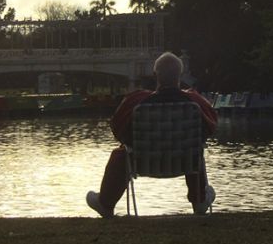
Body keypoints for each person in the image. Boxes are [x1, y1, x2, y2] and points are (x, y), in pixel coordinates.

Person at [86, 52, 218, 217]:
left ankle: (106, 203)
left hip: (142, 162)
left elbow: (117, 129)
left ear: (155, 75)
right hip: (185, 161)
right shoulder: (195, 101)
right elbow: (210, 127)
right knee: (195, 149)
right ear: (180, 74)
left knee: (121, 154)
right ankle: (199, 201)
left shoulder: (136, 101)